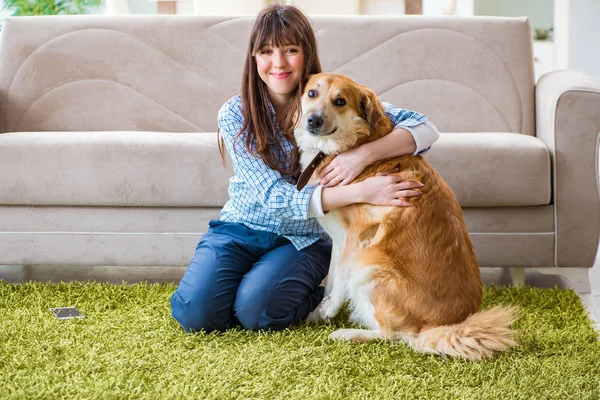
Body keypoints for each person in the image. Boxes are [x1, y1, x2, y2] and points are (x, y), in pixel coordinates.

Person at [170, 3, 439, 333]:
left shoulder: (328, 93)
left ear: (306, 54)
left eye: (291, 50)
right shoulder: (235, 112)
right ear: (253, 58)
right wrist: (362, 190)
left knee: (258, 313)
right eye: (266, 51)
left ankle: (300, 290)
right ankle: (251, 283)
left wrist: (362, 156)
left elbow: (425, 128)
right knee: (195, 315)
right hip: (240, 228)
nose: (278, 63)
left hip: (302, 239)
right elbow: (273, 196)